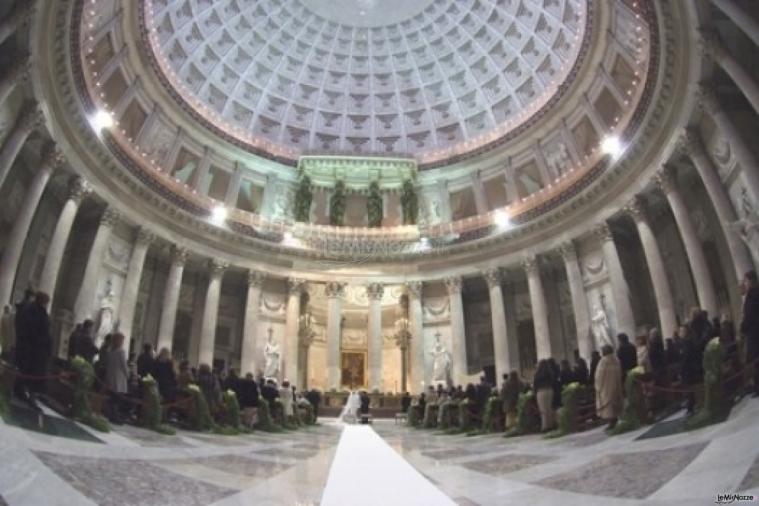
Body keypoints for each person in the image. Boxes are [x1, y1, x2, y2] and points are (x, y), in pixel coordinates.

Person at [13, 291, 52, 409]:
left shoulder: (30, 309)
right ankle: (30, 396)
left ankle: (20, 390)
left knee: (25, 371)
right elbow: (37, 330)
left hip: (31, 348)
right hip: (34, 350)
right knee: (32, 373)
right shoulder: (35, 311)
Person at [594, 344, 624, 429]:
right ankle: (615, 419)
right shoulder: (616, 359)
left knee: (608, 405)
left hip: (606, 387)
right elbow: (620, 371)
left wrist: (598, 386)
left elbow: (599, 375)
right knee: (614, 402)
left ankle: (611, 421)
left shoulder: (603, 361)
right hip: (615, 385)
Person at [740, 270, 759, 396]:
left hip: (754, 332)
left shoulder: (753, 295)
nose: (744, 283)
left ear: (750, 281)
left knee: (756, 360)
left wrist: (743, 327)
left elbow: (750, 315)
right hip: (754, 331)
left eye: (745, 281)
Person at [104, 332, 129, 423]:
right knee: (117, 398)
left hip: (111, 376)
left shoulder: (110, 351)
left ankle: (111, 415)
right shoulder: (121, 351)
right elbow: (124, 365)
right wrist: (127, 374)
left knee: (112, 397)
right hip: (119, 377)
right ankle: (114, 417)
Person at [679, 325, 703, 415]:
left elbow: (686, 358)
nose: (680, 333)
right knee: (689, 389)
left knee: (690, 389)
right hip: (689, 370)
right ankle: (691, 406)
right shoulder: (685, 343)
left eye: (681, 331)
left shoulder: (688, 343)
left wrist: (681, 371)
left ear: (686, 332)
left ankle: (692, 407)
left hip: (689, 370)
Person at [533, 360, 555, 432]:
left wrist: (534, 392)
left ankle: (545, 426)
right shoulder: (549, 373)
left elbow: (535, 384)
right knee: (549, 408)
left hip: (541, 391)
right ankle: (550, 424)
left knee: (543, 410)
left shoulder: (538, 374)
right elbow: (552, 381)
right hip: (549, 390)